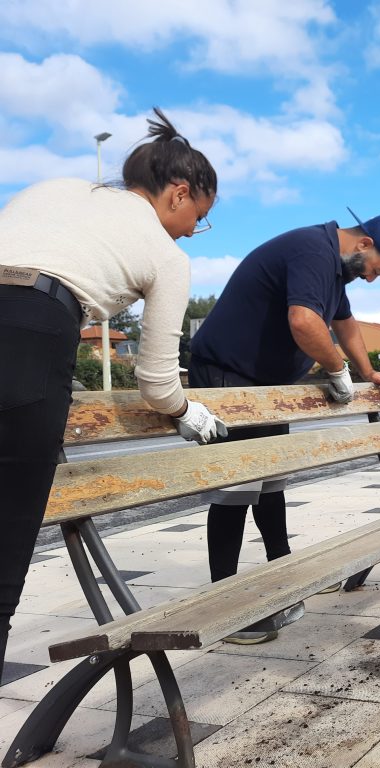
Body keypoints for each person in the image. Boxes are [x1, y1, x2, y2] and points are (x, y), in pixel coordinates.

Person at [0, 108, 227, 680]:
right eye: (197, 218)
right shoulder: (166, 255)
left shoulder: (54, 187)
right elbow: (155, 381)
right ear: (179, 194)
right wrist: (185, 410)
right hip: (27, 334)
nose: (189, 231)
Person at [188, 208, 380, 643]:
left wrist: (367, 371)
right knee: (237, 491)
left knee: (270, 484)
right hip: (227, 377)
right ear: (363, 244)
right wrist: (337, 368)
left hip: (264, 385)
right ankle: (224, 606)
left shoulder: (335, 269)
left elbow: (343, 323)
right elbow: (304, 321)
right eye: (376, 272)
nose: (370, 280)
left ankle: (283, 575)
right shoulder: (313, 250)